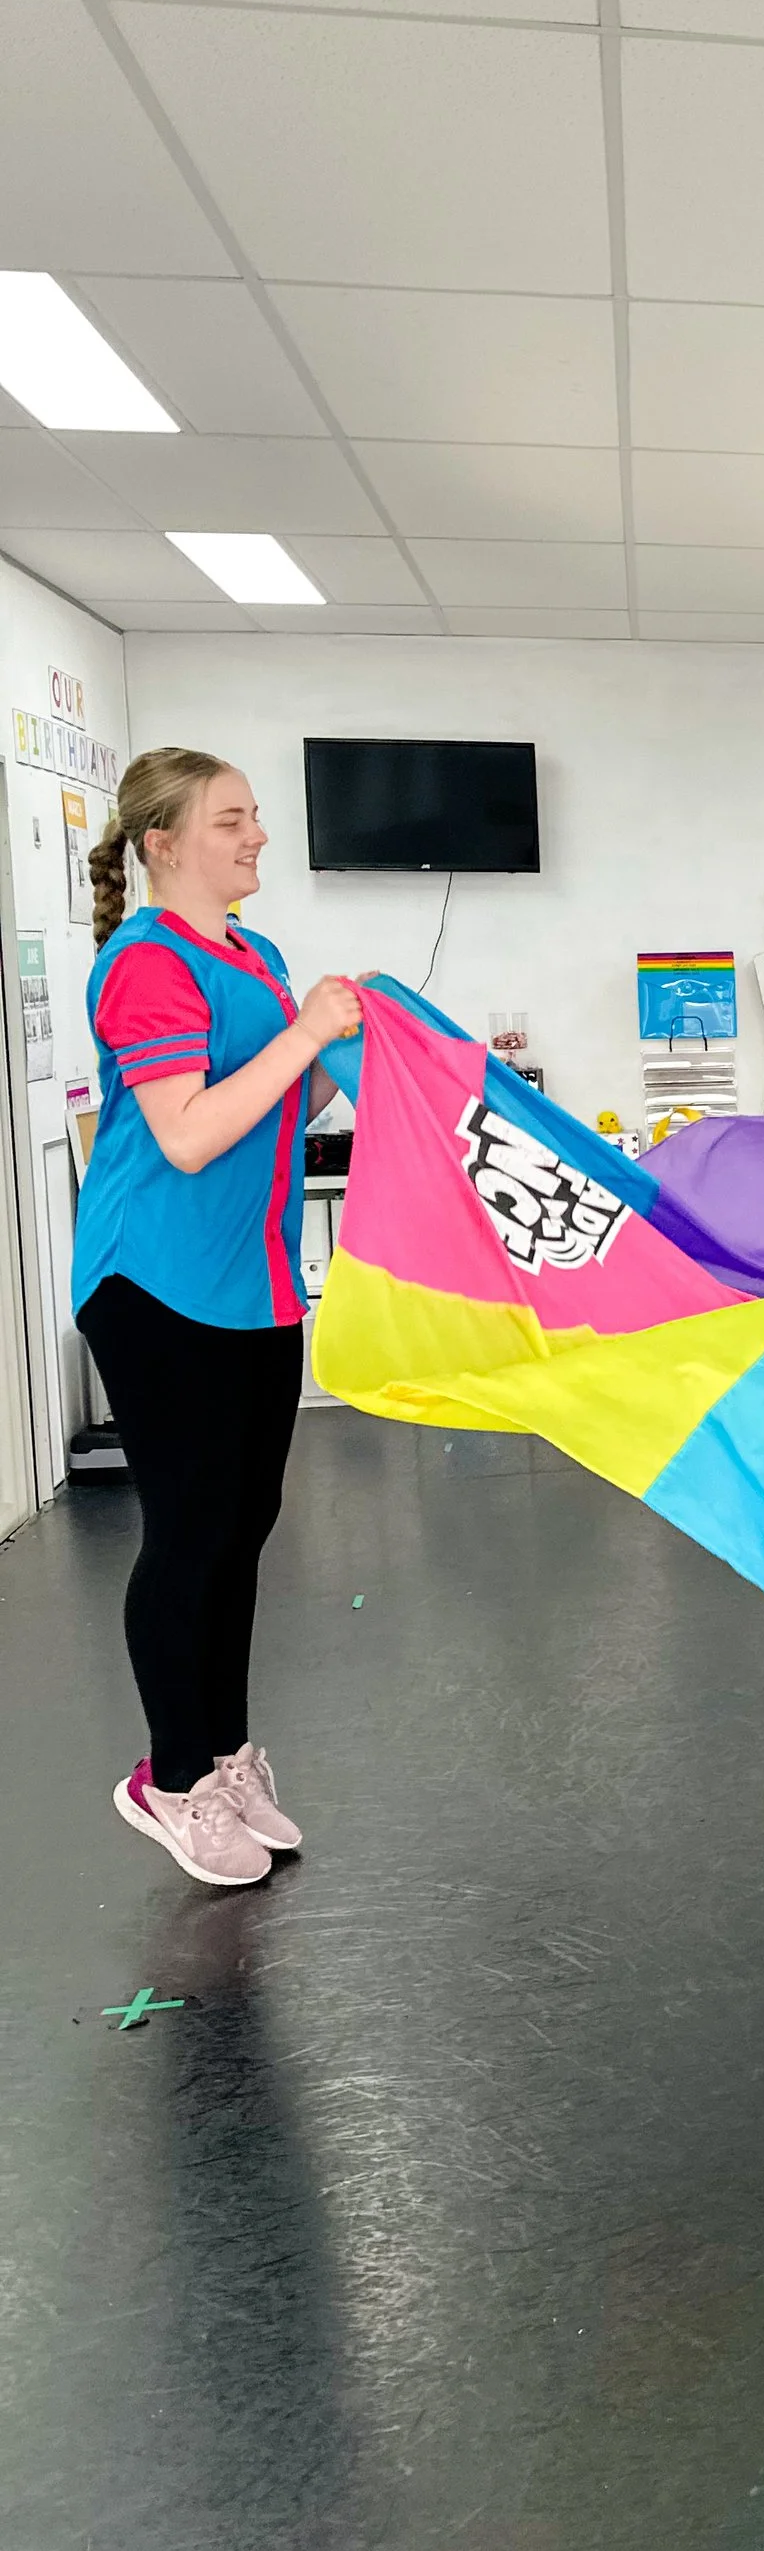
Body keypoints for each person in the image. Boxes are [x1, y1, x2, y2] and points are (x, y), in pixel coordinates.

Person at [72, 749, 364, 1888]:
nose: (255, 838)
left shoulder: (255, 954)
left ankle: (230, 1758)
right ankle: (170, 1777)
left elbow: (289, 1102)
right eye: (232, 821)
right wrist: (300, 1034)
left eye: (254, 820)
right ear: (163, 842)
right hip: (154, 1286)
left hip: (250, 1284)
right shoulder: (145, 964)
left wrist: (349, 1045)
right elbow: (188, 1133)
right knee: (191, 1532)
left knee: (243, 1526)